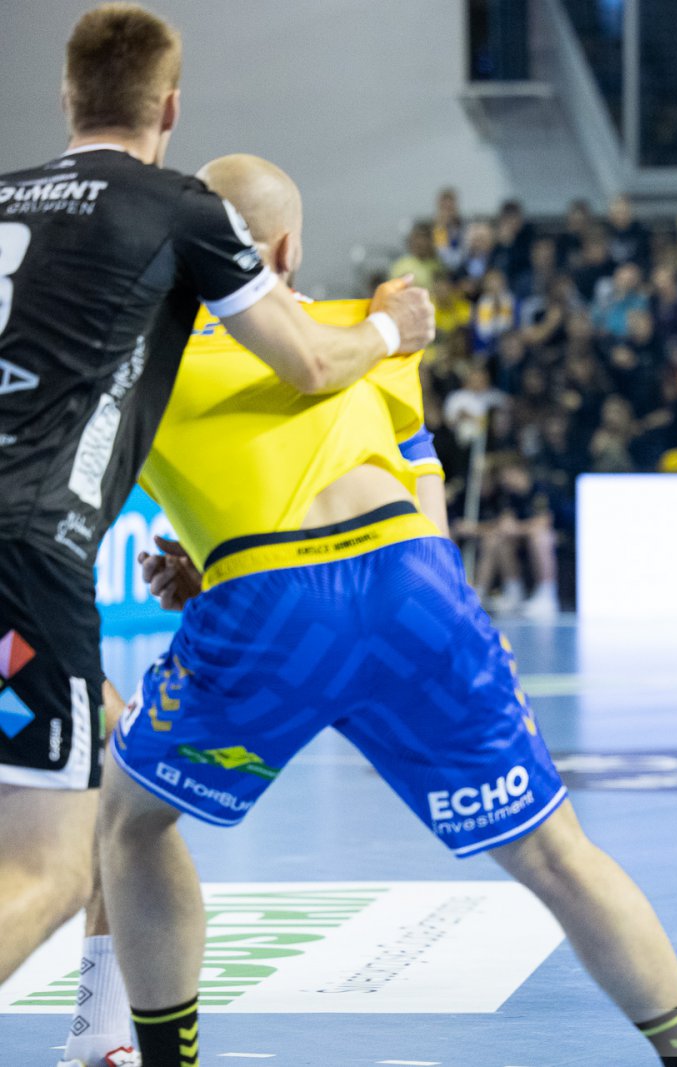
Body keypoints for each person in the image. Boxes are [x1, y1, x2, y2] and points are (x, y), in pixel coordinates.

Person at [100, 155, 677, 1067]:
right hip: (415, 581)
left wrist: (234, 570)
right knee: (557, 854)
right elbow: (421, 494)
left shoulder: (140, 356)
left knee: (129, 822)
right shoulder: (369, 327)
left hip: (272, 598)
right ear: (286, 249)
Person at [0, 8, 434, 1063]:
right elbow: (308, 362)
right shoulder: (180, 211)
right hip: (23, 554)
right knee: (49, 868)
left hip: (22, 555)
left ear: (66, 97)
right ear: (171, 108)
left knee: (125, 785)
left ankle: (104, 1037)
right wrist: (391, 328)